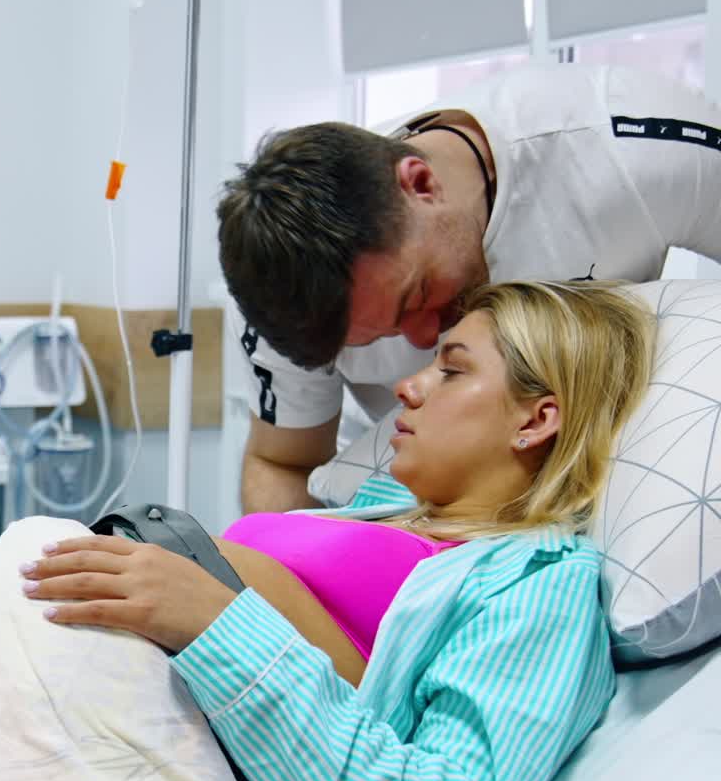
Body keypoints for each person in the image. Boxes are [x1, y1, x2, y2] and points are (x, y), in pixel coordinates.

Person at [18, 280, 655, 781]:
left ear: (535, 420)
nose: (408, 387)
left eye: (453, 370)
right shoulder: (381, 510)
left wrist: (217, 622)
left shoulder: (538, 581)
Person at [216, 62, 721, 512]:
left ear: (420, 183)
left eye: (416, 296)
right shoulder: (283, 301)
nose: (420, 341)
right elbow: (285, 464)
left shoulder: (634, 154)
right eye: (376, 338)